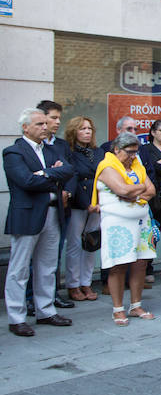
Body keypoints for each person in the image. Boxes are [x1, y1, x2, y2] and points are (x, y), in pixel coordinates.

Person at [4, 108, 75, 336]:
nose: (45, 127)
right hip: (27, 214)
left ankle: (46, 311)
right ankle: (16, 317)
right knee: (19, 268)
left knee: (47, 266)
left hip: (53, 213)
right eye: (39, 124)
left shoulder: (53, 149)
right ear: (25, 127)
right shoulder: (13, 152)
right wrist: (51, 175)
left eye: (46, 123)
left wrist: (42, 174)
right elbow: (26, 181)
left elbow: (68, 170)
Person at [93, 133, 158, 325]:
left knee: (141, 263)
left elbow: (151, 190)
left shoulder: (137, 165)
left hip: (141, 220)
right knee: (118, 264)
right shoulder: (107, 166)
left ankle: (136, 305)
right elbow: (122, 190)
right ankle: (118, 309)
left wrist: (131, 192)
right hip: (117, 223)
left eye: (135, 152)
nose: (133, 156)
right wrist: (136, 189)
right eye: (129, 152)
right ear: (117, 150)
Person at [36, 100, 75, 309]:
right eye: (53, 117)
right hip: (38, 208)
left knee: (54, 254)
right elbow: (32, 177)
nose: (57, 122)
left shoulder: (60, 145)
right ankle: (30, 298)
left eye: (59, 117)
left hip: (62, 206)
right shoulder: (27, 146)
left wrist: (67, 190)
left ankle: (52, 295)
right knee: (33, 258)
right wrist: (54, 173)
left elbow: (69, 171)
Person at [63, 116, 102, 302]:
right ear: (74, 132)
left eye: (89, 128)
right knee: (74, 244)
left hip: (98, 203)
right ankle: (73, 284)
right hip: (79, 203)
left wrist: (99, 203)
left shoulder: (98, 151)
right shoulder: (69, 152)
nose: (87, 132)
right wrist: (87, 203)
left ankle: (86, 282)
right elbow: (73, 178)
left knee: (91, 244)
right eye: (82, 128)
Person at [138, 120, 161, 283]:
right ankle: (147, 269)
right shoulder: (146, 149)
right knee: (152, 233)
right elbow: (152, 168)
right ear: (153, 132)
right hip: (155, 197)